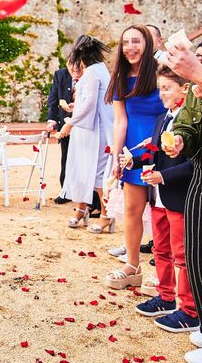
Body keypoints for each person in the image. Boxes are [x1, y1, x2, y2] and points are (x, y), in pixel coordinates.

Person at [123, 66, 198, 332]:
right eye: (160, 88)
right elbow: (154, 155)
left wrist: (162, 178)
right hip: (158, 199)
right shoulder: (161, 119)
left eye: (167, 88)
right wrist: (133, 161)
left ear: (185, 90)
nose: (161, 93)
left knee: (182, 255)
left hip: (177, 197)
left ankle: (190, 310)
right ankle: (166, 297)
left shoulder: (190, 125)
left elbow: (193, 164)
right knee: (160, 250)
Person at [105, 24, 166, 289]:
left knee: (163, 212)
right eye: (126, 42)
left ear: (148, 43)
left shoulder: (161, 71)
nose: (131, 47)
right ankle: (132, 266)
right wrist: (117, 156)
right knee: (132, 210)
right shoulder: (119, 76)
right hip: (133, 152)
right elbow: (120, 120)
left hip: (163, 146)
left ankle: (166, 272)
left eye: (137, 41)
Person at [162, 41, 202, 362]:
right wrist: (180, 139)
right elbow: (189, 124)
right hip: (200, 177)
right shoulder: (194, 89)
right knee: (196, 253)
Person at [55, 36, 113, 229]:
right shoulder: (98, 69)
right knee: (82, 168)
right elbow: (88, 101)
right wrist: (75, 107)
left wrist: (69, 124)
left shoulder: (93, 73)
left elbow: (89, 104)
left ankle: (107, 214)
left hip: (95, 131)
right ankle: (82, 209)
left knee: (97, 173)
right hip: (88, 128)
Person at [45, 62, 83, 204]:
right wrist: (52, 120)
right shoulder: (60, 75)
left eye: (78, 65)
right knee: (66, 158)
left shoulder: (88, 76)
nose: (75, 68)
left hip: (82, 125)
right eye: (72, 64)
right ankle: (65, 191)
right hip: (64, 124)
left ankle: (84, 194)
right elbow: (53, 99)